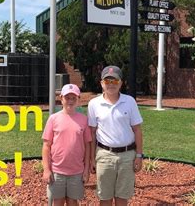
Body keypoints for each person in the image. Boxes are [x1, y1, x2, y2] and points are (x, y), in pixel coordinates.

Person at [88, 65, 144, 206]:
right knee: (104, 198)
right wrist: (91, 159)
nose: (111, 85)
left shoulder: (129, 102)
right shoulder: (94, 104)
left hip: (127, 156)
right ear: (101, 83)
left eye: (114, 81)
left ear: (121, 83)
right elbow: (92, 133)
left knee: (122, 198)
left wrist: (139, 155)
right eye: (107, 81)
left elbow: (137, 130)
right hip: (104, 155)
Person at [42, 84, 92, 206]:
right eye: (67, 97)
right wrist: (46, 169)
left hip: (77, 171)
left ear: (78, 99)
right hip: (57, 171)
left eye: (73, 98)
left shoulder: (83, 120)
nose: (70, 101)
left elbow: (87, 146)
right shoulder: (53, 119)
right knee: (57, 201)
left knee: (72, 202)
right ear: (61, 98)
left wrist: (86, 170)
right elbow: (46, 146)